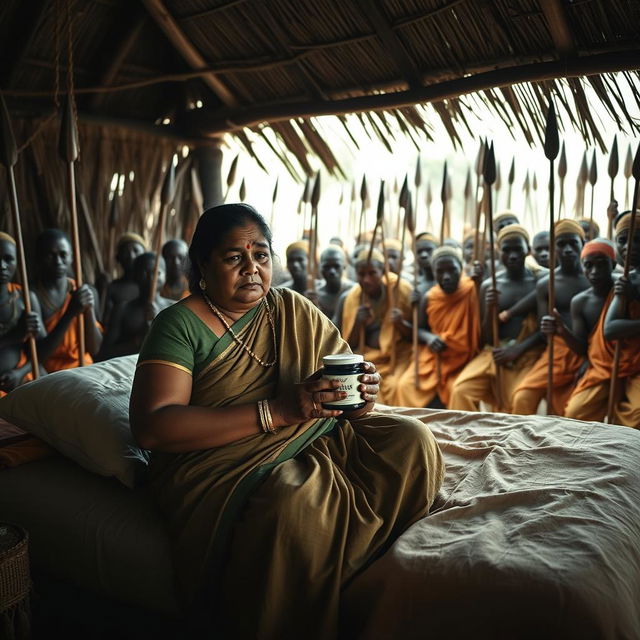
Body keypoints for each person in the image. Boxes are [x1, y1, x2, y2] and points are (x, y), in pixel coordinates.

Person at [128, 204, 444, 639]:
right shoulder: (177, 325)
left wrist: (362, 399)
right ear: (203, 263)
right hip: (225, 460)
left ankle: (332, 567)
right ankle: (315, 588)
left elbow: (341, 383)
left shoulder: (291, 307)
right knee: (298, 502)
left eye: (261, 255)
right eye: (233, 257)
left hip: (313, 434)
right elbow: (154, 427)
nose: (252, 269)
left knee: (412, 440)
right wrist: (277, 412)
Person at [449, 224, 544, 413]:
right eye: (507, 250)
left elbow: (543, 331)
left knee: (518, 399)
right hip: (493, 352)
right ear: (499, 252)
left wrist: (517, 350)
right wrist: (491, 310)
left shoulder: (539, 282)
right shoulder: (489, 285)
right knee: (460, 390)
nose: (513, 255)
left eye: (518, 249)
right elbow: (486, 337)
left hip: (525, 355)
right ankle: (468, 440)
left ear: (528, 251)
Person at [511, 220, 589, 415]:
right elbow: (542, 330)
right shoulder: (547, 284)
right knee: (523, 397)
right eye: (561, 245)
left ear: (583, 243)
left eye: (573, 243)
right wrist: (547, 328)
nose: (568, 250)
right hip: (557, 352)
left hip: (591, 354)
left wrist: (590, 358)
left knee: (569, 409)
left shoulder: (596, 278)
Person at [392, 246, 480, 408]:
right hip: (434, 356)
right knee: (405, 386)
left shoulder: (472, 289)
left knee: (458, 390)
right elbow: (418, 330)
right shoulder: (430, 297)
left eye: (452, 270)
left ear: (461, 268)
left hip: (463, 358)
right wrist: (429, 337)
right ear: (434, 272)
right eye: (440, 271)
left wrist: (480, 282)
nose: (446, 277)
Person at [546, 239, 619, 421]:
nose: (594, 272)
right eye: (588, 265)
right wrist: (562, 329)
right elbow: (582, 348)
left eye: (602, 265)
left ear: (614, 265)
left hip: (630, 367)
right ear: (582, 266)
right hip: (600, 369)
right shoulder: (580, 302)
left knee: (630, 417)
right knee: (574, 413)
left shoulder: (624, 291)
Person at [333, 248, 413, 404]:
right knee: (366, 387)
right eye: (361, 274)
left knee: (398, 386)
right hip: (367, 360)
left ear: (383, 272)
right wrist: (357, 322)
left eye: (372, 273)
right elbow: (346, 346)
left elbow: (415, 336)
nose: (366, 280)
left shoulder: (400, 291)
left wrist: (401, 323)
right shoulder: (349, 299)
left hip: (397, 359)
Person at [33, 229, 103, 371]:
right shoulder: (32, 296)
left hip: (85, 368)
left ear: (72, 257)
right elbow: (40, 355)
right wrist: (70, 313)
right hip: (50, 373)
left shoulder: (85, 291)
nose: (58, 261)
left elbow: (95, 349)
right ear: (39, 258)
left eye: (63, 255)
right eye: (50, 255)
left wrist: (88, 311)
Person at [98, 252, 173, 360]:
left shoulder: (175, 308)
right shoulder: (123, 309)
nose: (150, 277)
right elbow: (105, 353)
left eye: (156, 273)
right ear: (134, 276)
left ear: (166, 276)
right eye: (143, 273)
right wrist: (137, 342)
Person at [0, 233, 46, 393]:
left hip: (22, 377)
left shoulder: (25, 298)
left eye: (8, 259)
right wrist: (15, 335)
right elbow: (17, 336)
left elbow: (42, 351)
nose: (2, 266)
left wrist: (19, 373)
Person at [102, 232, 146, 323]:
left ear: (145, 255)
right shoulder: (112, 288)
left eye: (136, 251)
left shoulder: (152, 287)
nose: (131, 256)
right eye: (126, 252)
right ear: (118, 258)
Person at [313, 246, 354, 319]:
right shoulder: (314, 293)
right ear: (320, 268)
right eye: (327, 267)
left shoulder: (354, 291)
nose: (332, 271)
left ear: (344, 266)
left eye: (336, 266)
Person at [414, 232, 438, 296]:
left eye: (429, 250)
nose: (423, 255)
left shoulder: (447, 283)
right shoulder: (414, 284)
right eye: (419, 252)